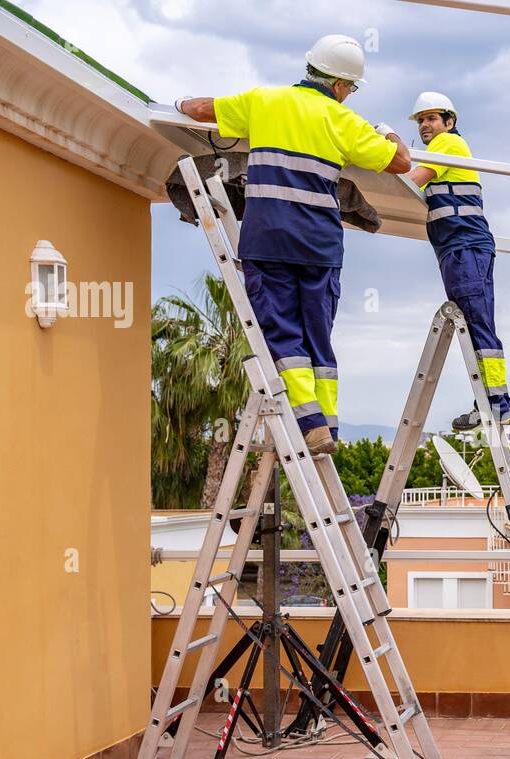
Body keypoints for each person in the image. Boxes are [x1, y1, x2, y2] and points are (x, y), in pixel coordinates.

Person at [175, 35, 411, 455]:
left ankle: (310, 421)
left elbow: (200, 109)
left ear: (310, 69)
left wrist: (179, 104)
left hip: (268, 239)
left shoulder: (265, 101)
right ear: (341, 85)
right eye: (351, 89)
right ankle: (329, 427)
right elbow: (401, 162)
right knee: (318, 336)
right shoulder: (345, 122)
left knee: (281, 330)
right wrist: (388, 130)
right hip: (320, 246)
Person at [405, 92, 510, 431]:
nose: (425, 125)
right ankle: (490, 402)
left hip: (466, 248)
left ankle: (497, 403)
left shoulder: (448, 144)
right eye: (421, 120)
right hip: (459, 249)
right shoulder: (443, 149)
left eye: (431, 118)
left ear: (448, 122)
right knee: (475, 321)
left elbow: (412, 181)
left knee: (478, 321)